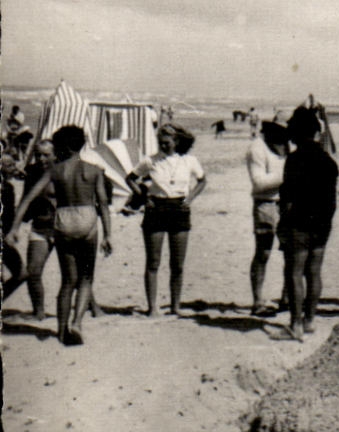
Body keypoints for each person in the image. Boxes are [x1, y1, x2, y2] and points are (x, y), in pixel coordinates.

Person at [12, 127, 112, 344]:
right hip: (87, 218)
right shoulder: (94, 170)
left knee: (68, 281)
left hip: (64, 219)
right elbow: (103, 203)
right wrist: (108, 235)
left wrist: (15, 228)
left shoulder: (55, 171)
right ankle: (77, 323)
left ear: (62, 147)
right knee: (86, 278)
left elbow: (28, 199)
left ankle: (61, 330)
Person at [131, 124, 206, 318]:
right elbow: (130, 178)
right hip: (156, 209)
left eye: (167, 143)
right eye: (161, 143)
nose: (164, 146)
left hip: (179, 209)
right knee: (153, 261)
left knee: (177, 263)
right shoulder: (150, 161)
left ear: (177, 142)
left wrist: (190, 199)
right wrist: (144, 198)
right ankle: (153, 307)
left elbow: (202, 180)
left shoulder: (189, 160)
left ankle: (175, 306)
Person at [279, 107, 339, 340]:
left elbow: (287, 197)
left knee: (294, 273)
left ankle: (295, 325)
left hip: (299, 224)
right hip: (322, 224)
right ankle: (310, 320)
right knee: (314, 272)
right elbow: (332, 201)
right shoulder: (328, 161)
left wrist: (284, 223)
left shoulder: (294, 160)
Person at [4, 137, 57, 318]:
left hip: (64, 227)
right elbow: (26, 200)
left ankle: (92, 306)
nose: (41, 159)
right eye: (38, 155)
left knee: (77, 273)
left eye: (46, 155)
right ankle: (39, 312)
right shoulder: (33, 172)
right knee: (33, 272)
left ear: (55, 154)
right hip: (41, 226)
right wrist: (15, 227)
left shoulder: (64, 170)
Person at [246, 121, 289, 317]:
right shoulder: (257, 148)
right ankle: (258, 301)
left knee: (291, 253)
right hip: (266, 203)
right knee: (263, 253)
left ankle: (287, 298)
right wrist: (288, 175)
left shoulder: (289, 145)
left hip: (288, 203)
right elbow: (259, 182)